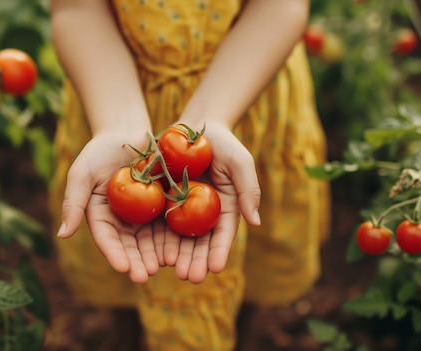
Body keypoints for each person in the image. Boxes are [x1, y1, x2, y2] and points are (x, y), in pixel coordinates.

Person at [48, 1, 330, 350]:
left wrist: (214, 116)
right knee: (120, 272)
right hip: (110, 86)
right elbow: (76, 8)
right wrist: (116, 124)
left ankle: (242, 331)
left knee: (253, 247)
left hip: (246, 81)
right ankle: (126, 332)